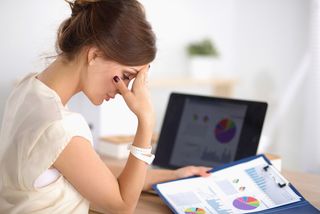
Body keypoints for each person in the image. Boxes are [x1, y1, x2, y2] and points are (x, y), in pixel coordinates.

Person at [0, 0, 211, 213]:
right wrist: (146, 121)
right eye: (127, 76)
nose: (124, 90)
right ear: (94, 55)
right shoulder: (60, 127)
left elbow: (88, 171)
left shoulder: (27, 89)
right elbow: (122, 206)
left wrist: (173, 175)